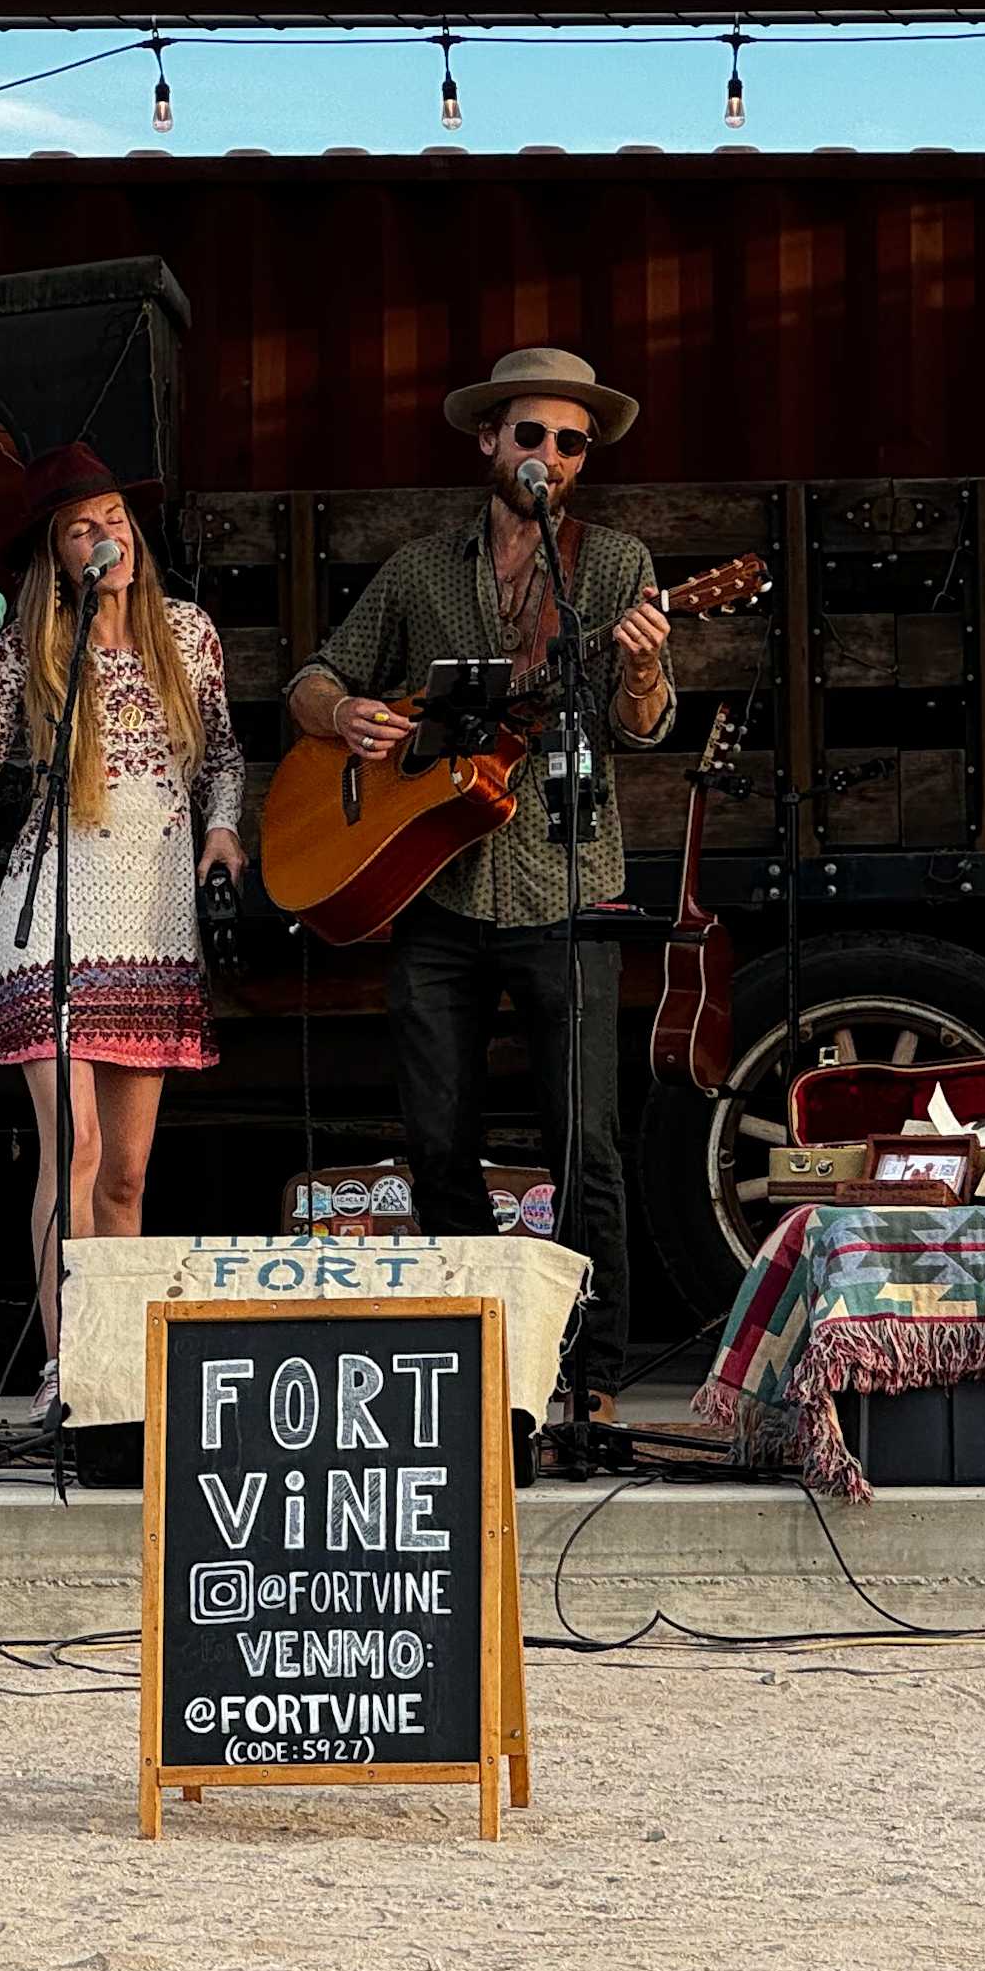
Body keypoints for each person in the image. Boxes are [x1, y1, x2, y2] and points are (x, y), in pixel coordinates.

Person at [285, 347, 675, 1464]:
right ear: (488, 443)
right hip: (438, 886)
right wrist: (346, 716)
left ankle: (595, 1394)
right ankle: (477, 1377)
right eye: (530, 435)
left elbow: (643, 723)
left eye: (571, 441)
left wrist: (643, 668)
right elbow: (317, 672)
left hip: (565, 884)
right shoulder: (417, 573)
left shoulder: (615, 566)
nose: (549, 455)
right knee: (439, 1142)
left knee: (583, 1144)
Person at [0, 441, 246, 1395]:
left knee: (126, 1179)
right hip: (49, 925)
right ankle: (69, 1371)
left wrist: (223, 837)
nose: (107, 536)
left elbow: (222, 757)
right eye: (80, 528)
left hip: (154, 925)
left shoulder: (188, 634)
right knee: (75, 1152)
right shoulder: (32, 650)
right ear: (57, 557)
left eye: (114, 519)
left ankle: (117, 1372)